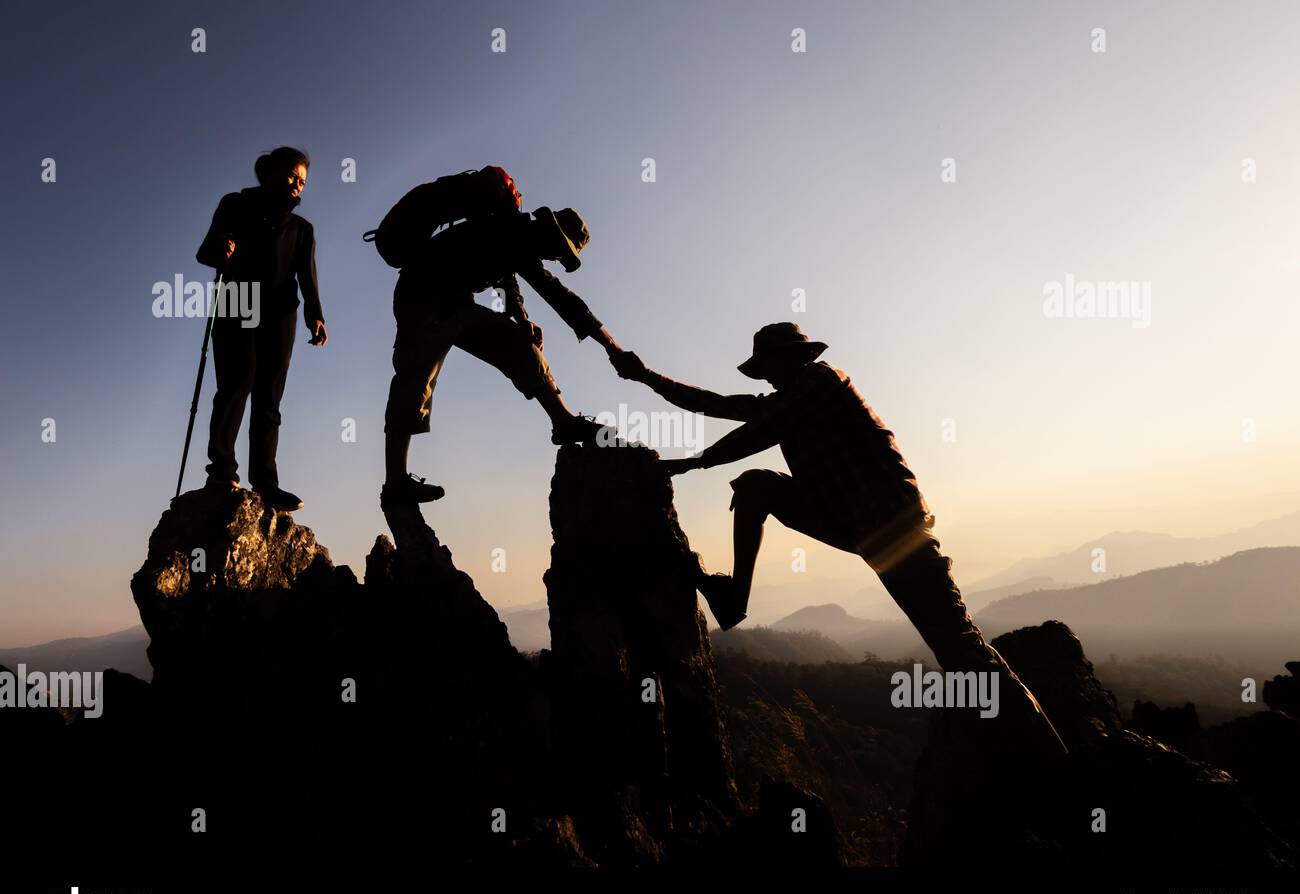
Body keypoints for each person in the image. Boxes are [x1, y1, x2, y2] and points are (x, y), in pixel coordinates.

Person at [610, 323, 1067, 756]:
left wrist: (694, 462)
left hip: (897, 532)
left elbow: (758, 427)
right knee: (755, 487)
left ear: (793, 359)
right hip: (856, 527)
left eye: (769, 367)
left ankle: (1055, 762)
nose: (767, 378)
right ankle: (733, 601)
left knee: (961, 649)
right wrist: (648, 377)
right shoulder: (793, 396)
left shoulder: (821, 382)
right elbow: (718, 405)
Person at [381, 166, 622, 506]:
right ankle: (396, 483)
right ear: (553, 234)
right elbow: (559, 296)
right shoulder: (519, 233)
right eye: (560, 251)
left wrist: (522, 319)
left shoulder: (517, 235)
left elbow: (508, 278)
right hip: (421, 294)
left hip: (455, 301)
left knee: (519, 345)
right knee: (417, 376)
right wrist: (612, 347)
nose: (555, 258)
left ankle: (564, 422)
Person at [195, 146, 328, 511]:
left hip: (280, 313)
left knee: (269, 398)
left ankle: (266, 485)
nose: (298, 185)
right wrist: (221, 248)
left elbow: (307, 277)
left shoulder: (302, 229)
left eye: (303, 181)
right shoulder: (235, 205)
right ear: (270, 172)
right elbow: (205, 252)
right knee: (235, 384)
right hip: (237, 300)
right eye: (292, 176)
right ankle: (222, 472)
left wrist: (315, 315)